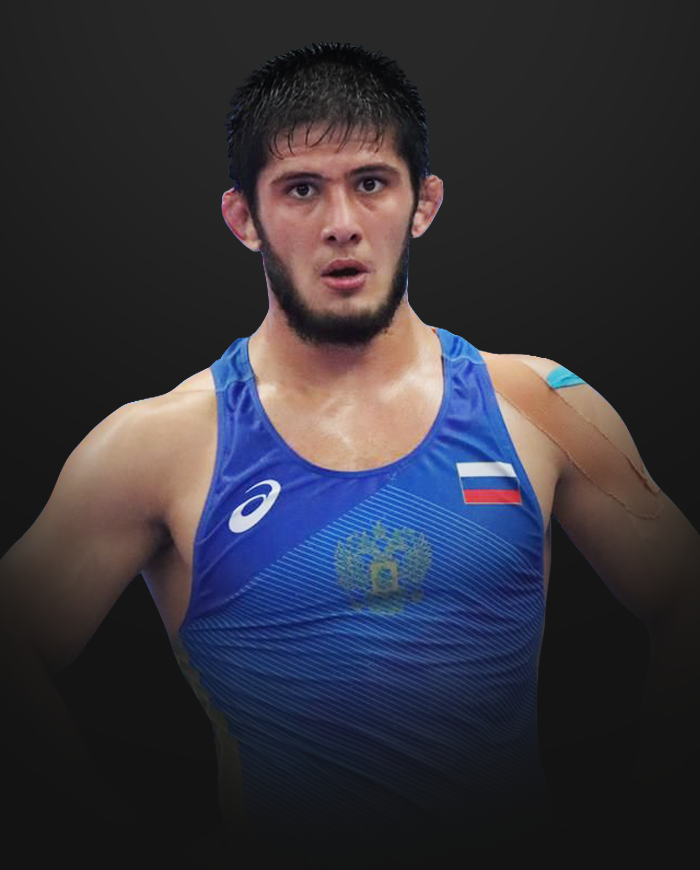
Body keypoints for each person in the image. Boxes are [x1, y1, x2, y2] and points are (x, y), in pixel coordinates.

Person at [1, 42, 699, 858]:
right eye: (301, 189)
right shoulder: (161, 442)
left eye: (371, 183)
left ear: (422, 202)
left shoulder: (540, 405)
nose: (342, 224)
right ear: (243, 218)